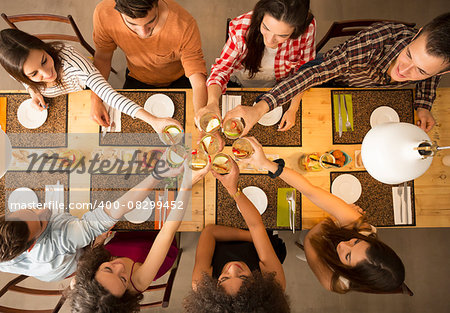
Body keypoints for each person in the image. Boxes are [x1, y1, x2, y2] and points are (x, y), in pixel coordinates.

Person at [225, 12, 450, 134]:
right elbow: (313, 74)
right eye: (409, 55)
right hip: (332, 79)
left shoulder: (435, 67)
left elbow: (433, 77)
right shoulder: (375, 41)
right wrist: (259, 108)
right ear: (417, 34)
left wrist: (423, 104)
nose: (404, 70)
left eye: (421, 71)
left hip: (366, 94)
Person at [240, 137, 406, 293]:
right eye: (355, 241)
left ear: (351, 274)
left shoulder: (333, 282)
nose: (344, 244)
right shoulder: (361, 228)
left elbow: (310, 241)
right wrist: (267, 164)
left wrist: (332, 221)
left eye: (347, 256)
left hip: (314, 240)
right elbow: (310, 190)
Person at [0, 151, 182, 282]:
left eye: (31, 209)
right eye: (41, 222)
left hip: (42, 267)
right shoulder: (64, 238)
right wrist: (157, 174)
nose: (44, 209)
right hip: (68, 265)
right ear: (31, 245)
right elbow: (117, 210)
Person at [69, 160, 210, 313]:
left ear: (91, 271)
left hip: (125, 236)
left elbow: (88, 260)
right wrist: (187, 184)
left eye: (108, 269)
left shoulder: (82, 279)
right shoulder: (138, 281)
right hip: (155, 241)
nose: (119, 266)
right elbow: (167, 233)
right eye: (123, 279)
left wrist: (101, 239)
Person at [0, 29, 180, 132]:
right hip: (65, 105)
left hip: (82, 96)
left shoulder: (72, 63)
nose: (47, 74)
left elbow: (111, 96)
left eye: (45, 61)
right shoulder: (21, 74)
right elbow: (23, 81)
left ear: (43, 47)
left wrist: (154, 121)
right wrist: (33, 91)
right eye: (34, 74)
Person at [183, 160, 290, 312]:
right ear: (259, 286)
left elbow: (210, 232)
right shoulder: (273, 283)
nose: (233, 268)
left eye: (224, 278)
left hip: (230, 229)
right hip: (256, 227)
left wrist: (257, 239)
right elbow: (256, 225)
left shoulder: (201, 285)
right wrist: (233, 190)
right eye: (244, 277)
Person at [201, 0, 315, 131]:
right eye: (266, 28)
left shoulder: (307, 28)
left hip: (282, 87)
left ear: (296, 31)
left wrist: (293, 109)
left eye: (282, 35)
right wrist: (212, 102)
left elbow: (304, 72)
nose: (270, 40)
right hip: (243, 83)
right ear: (261, 16)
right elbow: (221, 69)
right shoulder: (241, 27)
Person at [92, 0, 208, 127]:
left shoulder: (184, 24)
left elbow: (197, 79)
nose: (143, 33)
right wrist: (96, 99)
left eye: (151, 22)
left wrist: (201, 119)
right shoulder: (104, 14)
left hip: (180, 79)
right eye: (132, 24)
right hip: (136, 77)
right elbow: (103, 58)